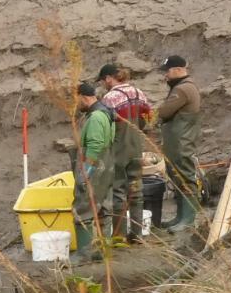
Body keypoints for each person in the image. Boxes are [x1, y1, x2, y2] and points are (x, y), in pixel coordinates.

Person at [98, 63, 155, 239]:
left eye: (103, 81)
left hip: (118, 150)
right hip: (136, 147)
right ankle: (137, 234)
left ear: (109, 78)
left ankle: (119, 235)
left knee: (118, 191)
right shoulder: (140, 93)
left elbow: (105, 126)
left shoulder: (110, 98)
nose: (103, 84)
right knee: (136, 189)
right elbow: (149, 120)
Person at [156, 54, 205, 230]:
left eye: (167, 72)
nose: (165, 76)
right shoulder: (184, 87)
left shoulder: (183, 89)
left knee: (185, 177)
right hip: (178, 142)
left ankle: (188, 219)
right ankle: (180, 217)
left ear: (177, 70)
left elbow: (164, 112)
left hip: (181, 142)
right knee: (178, 178)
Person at [72, 82, 118, 261]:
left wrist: (86, 171)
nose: (76, 104)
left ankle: (84, 254)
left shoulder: (97, 117)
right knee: (102, 208)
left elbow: (95, 145)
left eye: (77, 100)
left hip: (96, 167)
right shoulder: (105, 112)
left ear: (84, 97)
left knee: (84, 207)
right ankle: (101, 251)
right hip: (106, 167)